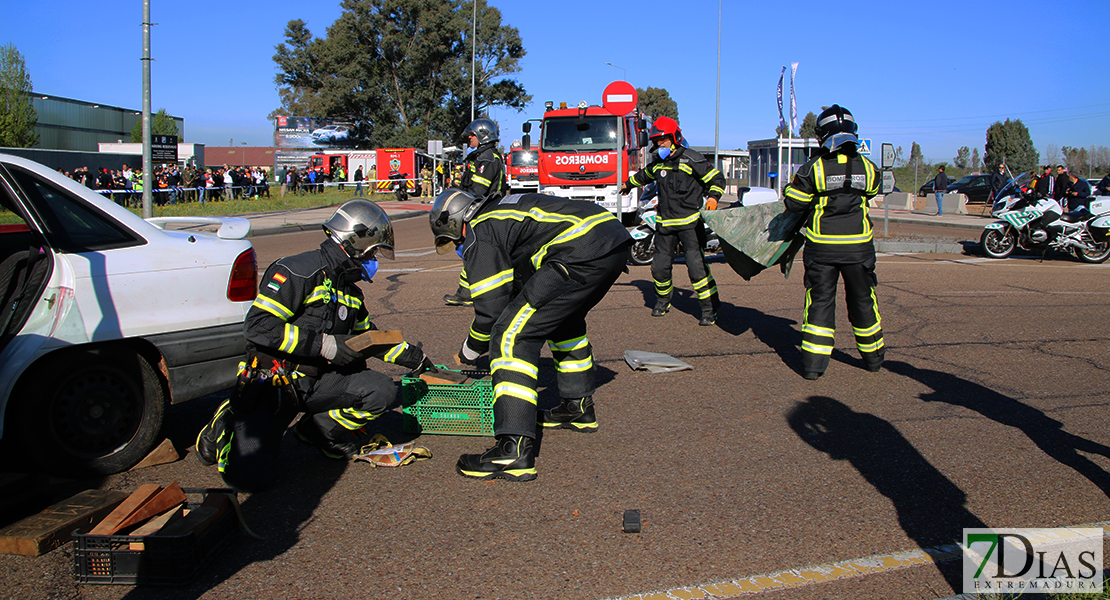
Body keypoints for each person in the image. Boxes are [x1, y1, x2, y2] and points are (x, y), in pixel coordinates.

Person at [197, 200, 431, 462]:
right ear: (355, 240)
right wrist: (325, 345)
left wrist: (416, 359)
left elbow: (370, 339)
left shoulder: (350, 292)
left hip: (320, 380)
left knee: (381, 390)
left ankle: (316, 432)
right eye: (372, 252)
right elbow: (259, 326)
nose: (373, 260)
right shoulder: (300, 271)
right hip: (279, 381)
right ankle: (226, 418)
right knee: (251, 478)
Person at [429, 188, 632, 481]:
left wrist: (469, 351)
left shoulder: (480, 229)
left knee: (512, 336)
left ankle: (512, 450)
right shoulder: (501, 210)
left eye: (454, 241)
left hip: (578, 250)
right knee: (564, 321)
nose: (459, 247)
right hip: (610, 239)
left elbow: (490, 311)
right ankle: (577, 407)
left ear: (454, 223)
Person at [782, 104, 884, 380]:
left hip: (822, 248)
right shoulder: (868, 167)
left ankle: (814, 367)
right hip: (859, 248)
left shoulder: (814, 168)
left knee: (820, 302)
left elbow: (794, 204)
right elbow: (874, 189)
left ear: (822, 136)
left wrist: (789, 189)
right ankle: (874, 359)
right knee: (864, 300)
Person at [619, 116, 726, 326]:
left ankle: (709, 309)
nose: (660, 144)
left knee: (697, 269)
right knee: (659, 268)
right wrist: (628, 185)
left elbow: (717, 179)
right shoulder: (659, 164)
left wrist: (713, 197)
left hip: (690, 226)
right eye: (657, 141)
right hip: (665, 226)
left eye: (663, 140)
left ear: (674, 138)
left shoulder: (692, 159)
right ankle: (662, 302)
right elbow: (644, 175)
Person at [443, 118, 508, 307]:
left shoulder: (486, 159)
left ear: (482, 136)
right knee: (471, 251)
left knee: (473, 251)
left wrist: (460, 199)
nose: (469, 138)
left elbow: (478, 191)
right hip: (482, 211)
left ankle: (472, 293)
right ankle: (465, 292)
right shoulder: (483, 156)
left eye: (472, 135)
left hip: (483, 212)